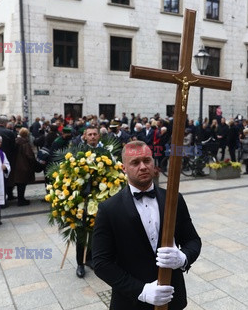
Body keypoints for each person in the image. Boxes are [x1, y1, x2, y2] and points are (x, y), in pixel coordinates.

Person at [93, 141, 201, 309]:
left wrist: (183, 258)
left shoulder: (174, 199)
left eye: (147, 160)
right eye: (135, 163)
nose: (143, 166)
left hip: (172, 298)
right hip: (131, 302)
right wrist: (141, 290)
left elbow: (193, 240)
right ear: (124, 168)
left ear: (154, 162)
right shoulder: (109, 209)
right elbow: (101, 263)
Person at [76, 126, 101, 278]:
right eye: (89, 134)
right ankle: (80, 263)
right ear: (85, 136)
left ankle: (90, 258)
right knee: (81, 231)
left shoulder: (106, 152)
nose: (92, 136)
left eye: (95, 134)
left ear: (99, 136)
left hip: (100, 197)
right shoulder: (77, 152)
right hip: (82, 199)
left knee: (95, 230)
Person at [14, 128, 37, 206]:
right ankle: (21, 200)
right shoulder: (25, 143)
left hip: (16, 165)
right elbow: (30, 156)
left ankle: (21, 198)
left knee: (19, 183)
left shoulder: (16, 141)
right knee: (22, 184)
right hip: (24, 165)